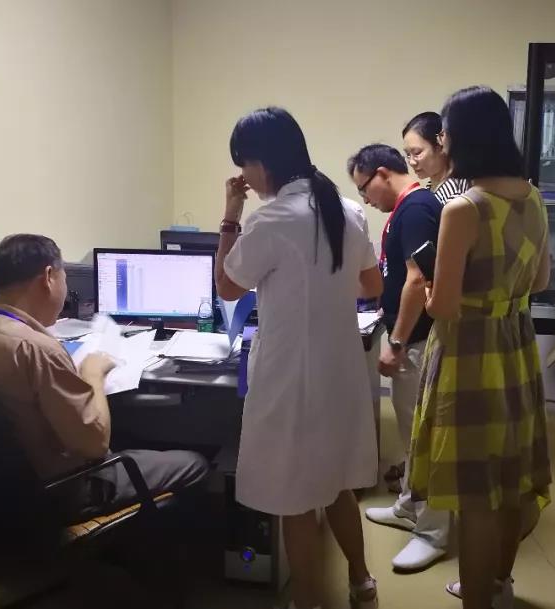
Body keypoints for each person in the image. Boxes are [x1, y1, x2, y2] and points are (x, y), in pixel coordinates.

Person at [214, 107, 384, 609]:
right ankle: (362, 582)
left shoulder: (271, 220)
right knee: (337, 484)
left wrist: (230, 213)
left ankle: (308, 601)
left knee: (295, 500)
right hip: (340, 372)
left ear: (263, 162)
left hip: (291, 379)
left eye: (244, 165)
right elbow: (371, 284)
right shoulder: (347, 210)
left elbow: (227, 287)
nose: (243, 177)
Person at [0, 234, 210, 523]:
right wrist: (92, 374)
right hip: (62, 493)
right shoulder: (37, 349)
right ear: (48, 277)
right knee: (195, 463)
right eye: (64, 277)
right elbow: (95, 445)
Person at [408, 86, 552, 609]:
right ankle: (498, 585)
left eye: (444, 131)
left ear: (462, 137)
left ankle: (477, 601)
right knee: (510, 479)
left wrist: (427, 287)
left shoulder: (464, 208)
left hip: (470, 355)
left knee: (475, 496)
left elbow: (444, 306)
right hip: (515, 346)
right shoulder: (532, 196)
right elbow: (541, 281)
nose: (442, 140)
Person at [347, 144, 450, 573]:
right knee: (411, 434)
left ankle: (434, 532)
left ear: (383, 174)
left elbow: (418, 279)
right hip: (410, 336)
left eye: (364, 189)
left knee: (425, 438)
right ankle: (409, 505)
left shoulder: (417, 209)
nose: (366, 199)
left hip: (419, 341)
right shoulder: (409, 209)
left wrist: (397, 341)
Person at [402, 111, 470, 204]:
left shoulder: (455, 196)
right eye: (408, 154)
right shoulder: (429, 189)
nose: (411, 162)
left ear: (440, 144)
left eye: (417, 153)